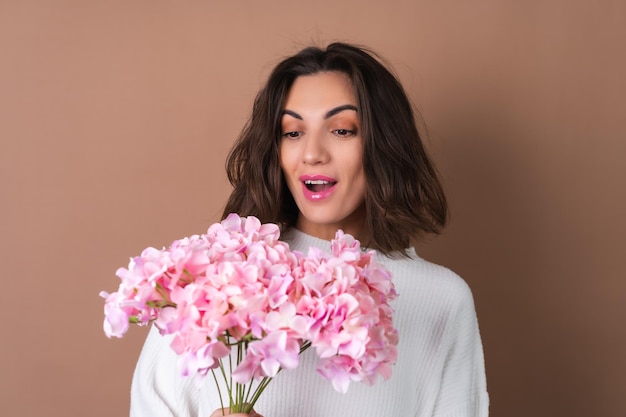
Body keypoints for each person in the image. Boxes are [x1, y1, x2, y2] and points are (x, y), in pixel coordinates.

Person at [130, 42, 489, 417]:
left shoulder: (441, 301)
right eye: (292, 132)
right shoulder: (210, 284)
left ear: (383, 144)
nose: (312, 153)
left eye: (342, 130)